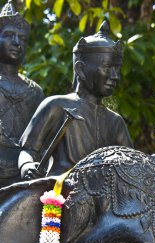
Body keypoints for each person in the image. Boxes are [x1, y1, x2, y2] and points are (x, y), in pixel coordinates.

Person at [19, 21, 133, 179]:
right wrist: (27, 165)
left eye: (117, 69)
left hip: (104, 195)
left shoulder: (115, 122)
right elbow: (29, 150)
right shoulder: (56, 105)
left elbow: (132, 166)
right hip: (59, 190)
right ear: (80, 69)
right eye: (107, 67)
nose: (114, 76)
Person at [0, 0, 44, 187]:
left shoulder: (34, 91)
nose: (17, 42)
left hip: (26, 174)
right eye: (9, 35)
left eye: (22, 38)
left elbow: (41, 142)